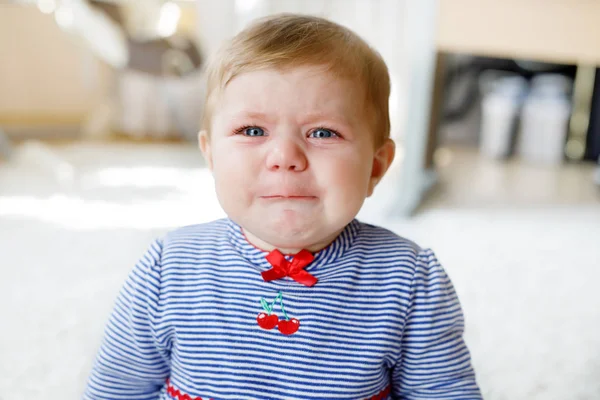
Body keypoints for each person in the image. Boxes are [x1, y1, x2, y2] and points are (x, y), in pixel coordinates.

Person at [84, 13, 482, 400]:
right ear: (211, 155)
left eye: (323, 132)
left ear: (376, 166)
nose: (285, 156)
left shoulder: (408, 281)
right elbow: (117, 389)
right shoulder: (170, 268)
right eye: (252, 130)